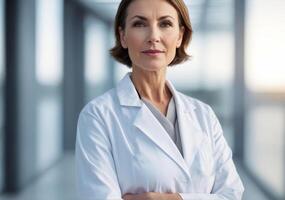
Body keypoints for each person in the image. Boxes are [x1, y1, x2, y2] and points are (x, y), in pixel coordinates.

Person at [75, 0, 244, 199]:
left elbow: (232, 194)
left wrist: (168, 198)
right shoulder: (98, 116)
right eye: (140, 24)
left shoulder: (203, 114)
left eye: (165, 24)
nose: (153, 36)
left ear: (180, 36)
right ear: (123, 36)